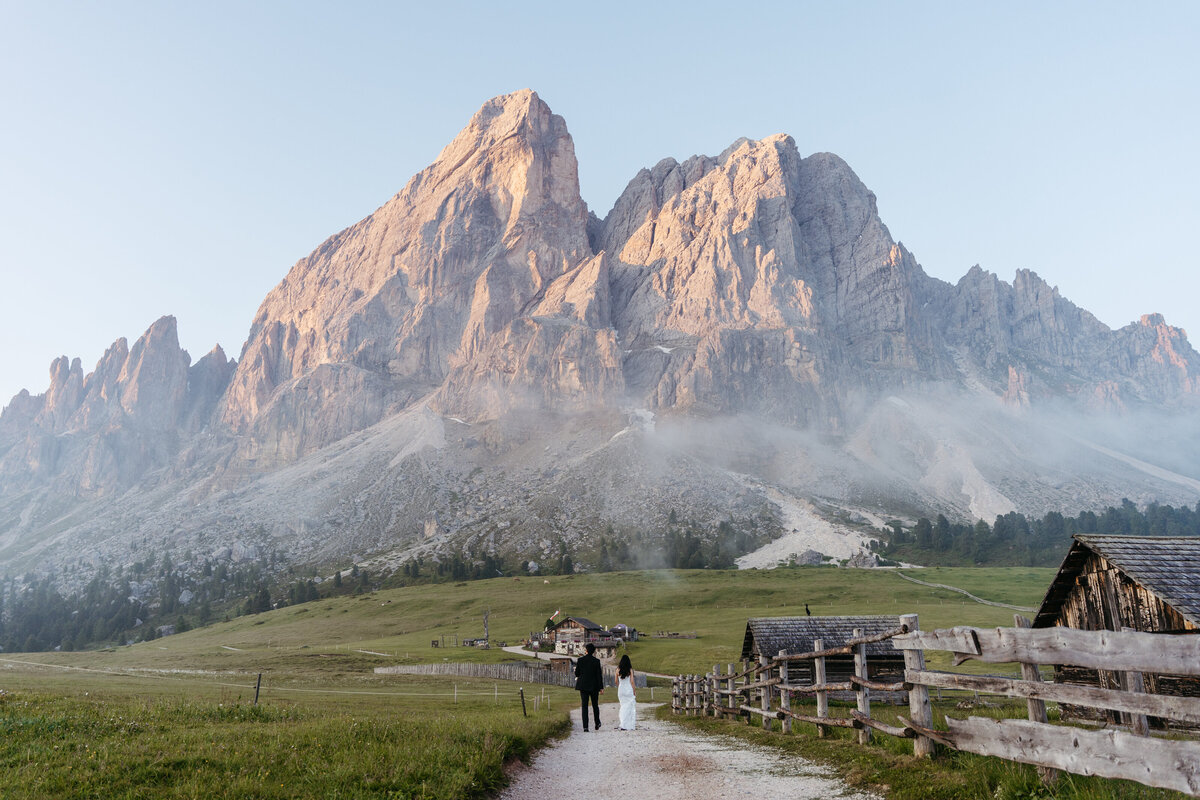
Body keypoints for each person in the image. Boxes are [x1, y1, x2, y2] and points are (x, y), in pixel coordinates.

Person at [574, 642, 603, 731]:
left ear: (586, 650)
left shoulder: (580, 660)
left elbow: (577, 673)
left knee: (584, 706)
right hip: (594, 686)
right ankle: (597, 723)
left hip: (583, 685)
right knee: (595, 705)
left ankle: (585, 726)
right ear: (594, 652)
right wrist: (601, 687)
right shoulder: (597, 661)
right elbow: (599, 675)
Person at [616, 654, 636, 730]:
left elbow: (616, 681)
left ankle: (623, 723)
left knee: (623, 706)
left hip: (621, 689)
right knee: (630, 707)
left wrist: (619, 687)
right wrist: (634, 690)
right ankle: (629, 725)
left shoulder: (617, 669)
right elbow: (632, 682)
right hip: (628, 689)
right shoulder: (630, 670)